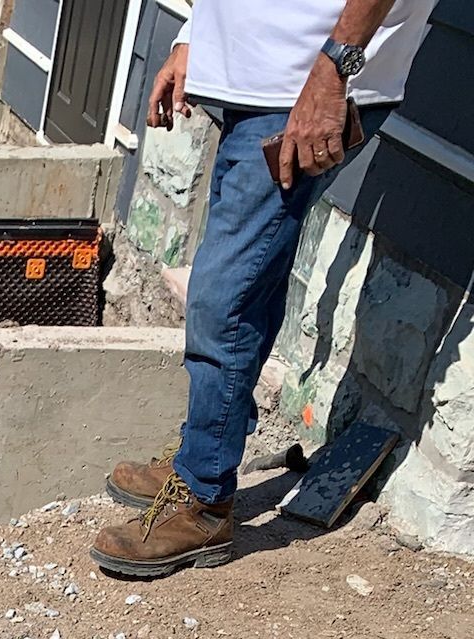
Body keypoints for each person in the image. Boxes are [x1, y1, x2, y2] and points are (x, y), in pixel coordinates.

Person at [90, 0, 436, 578]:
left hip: (307, 80)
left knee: (223, 293)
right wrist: (196, 36)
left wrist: (334, 70)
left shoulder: (324, 76)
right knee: (247, 279)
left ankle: (204, 501)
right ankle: (204, 453)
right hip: (257, 76)